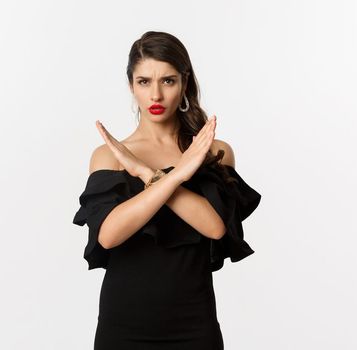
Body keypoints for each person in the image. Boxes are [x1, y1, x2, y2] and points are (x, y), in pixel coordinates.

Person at [71, 31, 262, 349]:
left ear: (184, 83)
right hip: (124, 325)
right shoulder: (111, 155)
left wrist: (149, 174)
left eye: (168, 81)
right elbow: (108, 235)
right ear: (131, 85)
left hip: (194, 323)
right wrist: (174, 177)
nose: (155, 95)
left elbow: (215, 228)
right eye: (144, 81)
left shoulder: (214, 151)